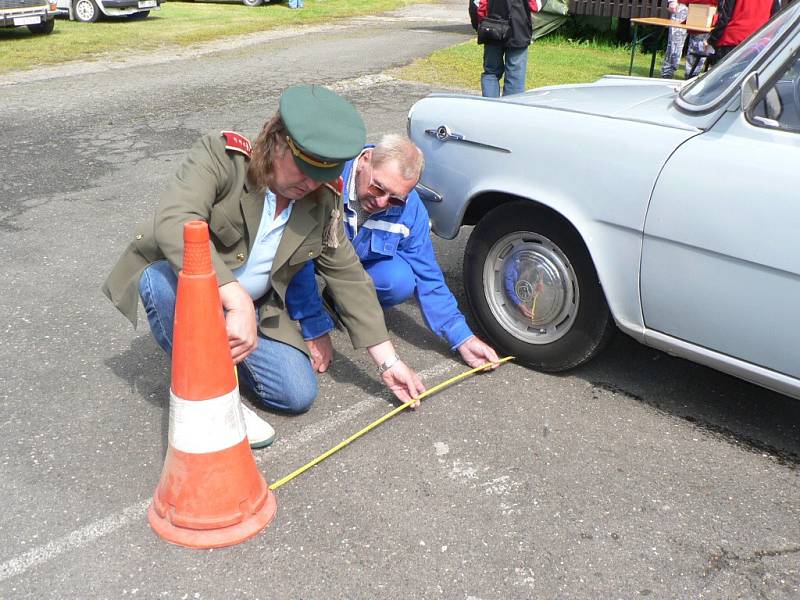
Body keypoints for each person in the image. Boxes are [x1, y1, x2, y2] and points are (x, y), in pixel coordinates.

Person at [102, 85, 425, 449]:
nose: (310, 183)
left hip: (258, 307)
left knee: (296, 394)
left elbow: (348, 276)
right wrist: (233, 297)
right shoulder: (222, 157)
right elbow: (176, 220)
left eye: (321, 175)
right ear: (276, 141)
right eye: (302, 169)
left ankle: (222, 350)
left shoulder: (321, 197)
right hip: (189, 288)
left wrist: (388, 363)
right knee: (159, 282)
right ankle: (213, 398)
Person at [285, 135, 500, 373]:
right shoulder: (328, 178)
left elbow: (426, 273)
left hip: (353, 267)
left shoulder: (411, 208)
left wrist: (461, 336)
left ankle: (337, 302)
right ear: (365, 160)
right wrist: (313, 325)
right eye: (378, 187)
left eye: (395, 199)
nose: (380, 202)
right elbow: (297, 253)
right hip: (308, 255)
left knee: (400, 280)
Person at [477, 0, 543, 98]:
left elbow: (480, 5)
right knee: (515, 74)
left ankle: (489, 107)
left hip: (492, 27)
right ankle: (510, 108)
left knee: (491, 72)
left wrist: (481, 22)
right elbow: (536, 6)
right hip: (517, 30)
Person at [707, 0, 779, 63]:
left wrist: (712, 40)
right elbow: (775, 17)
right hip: (758, 43)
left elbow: (724, 17)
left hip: (732, 41)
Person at [661, 0, 717, 79]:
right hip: (681, 5)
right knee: (674, 44)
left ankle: (691, 76)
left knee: (698, 46)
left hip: (706, 7)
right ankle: (667, 73)